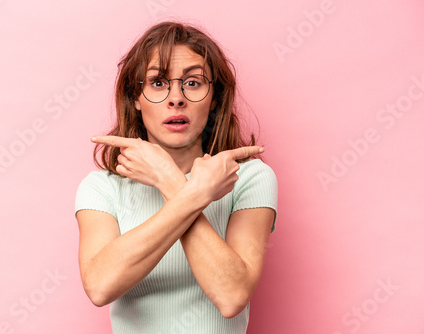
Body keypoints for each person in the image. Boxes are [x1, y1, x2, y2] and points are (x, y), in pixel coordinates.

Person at [75, 21, 278, 334]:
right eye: (158, 83)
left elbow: (231, 296)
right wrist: (193, 193)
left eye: (193, 83)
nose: (176, 98)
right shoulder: (102, 187)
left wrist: (169, 180)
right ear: (135, 99)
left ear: (215, 99)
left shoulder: (249, 178)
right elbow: (100, 287)